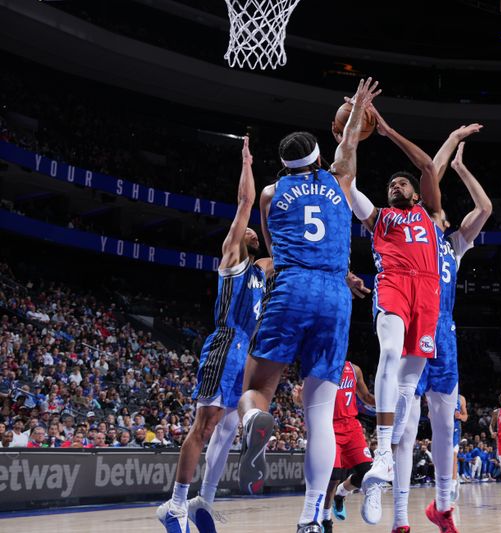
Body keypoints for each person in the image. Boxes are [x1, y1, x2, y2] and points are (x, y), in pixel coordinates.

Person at [237, 78, 380, 533]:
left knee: (255, 384)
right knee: (320, 416)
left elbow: (276, 251)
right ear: (320, 158)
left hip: (293, 285)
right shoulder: (338, 179)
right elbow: (350, 144)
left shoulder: (270, 194)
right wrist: (357, 107)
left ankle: (256, 418)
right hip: (335, 295)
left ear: (282, 165)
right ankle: (311, 518)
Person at [157, 136, 273, 533]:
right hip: (225, 344)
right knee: (204, 425)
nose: (254, 234)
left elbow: (291, 258)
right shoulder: (232, 257)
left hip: (245, 352)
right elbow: (245, 204)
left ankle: (203, 500)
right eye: (251, 233)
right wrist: (247, 163)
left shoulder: (260, 270)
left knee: (227, 429)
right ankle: (173, 506)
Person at [390, 128, 490, 533]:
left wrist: (464, 168)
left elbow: (484, 207)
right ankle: (399, 518)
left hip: (444, 335)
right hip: (415, 327)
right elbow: (432, 168)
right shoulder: (418, 226)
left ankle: (443, 508)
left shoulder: (454, 244)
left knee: (446, 427)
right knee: (408, 426)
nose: (440, 209)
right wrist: (450, 138)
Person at [345, 102, 440, 526]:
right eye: (392, 184)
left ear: (415, 194)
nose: (397, 186)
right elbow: (347, 184)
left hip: (429, 294)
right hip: (395, 284)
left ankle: (380, 481)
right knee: (387, 353)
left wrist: (385, 129)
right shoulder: (380, 219)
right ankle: (380, 451)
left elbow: (428, 168)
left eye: (403, 183)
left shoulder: (431, 214)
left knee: (409, 394)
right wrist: (350, 131)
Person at [307, 360, 375, 533]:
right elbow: (305, 399)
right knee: (332, 478)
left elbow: (366, 397)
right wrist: (297, 399)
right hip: (330, 427)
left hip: (351, 427)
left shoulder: (354, 369)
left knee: (368, 473)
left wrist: (387, 402)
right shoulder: (320, 368)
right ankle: (326, 520)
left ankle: (341, 494)